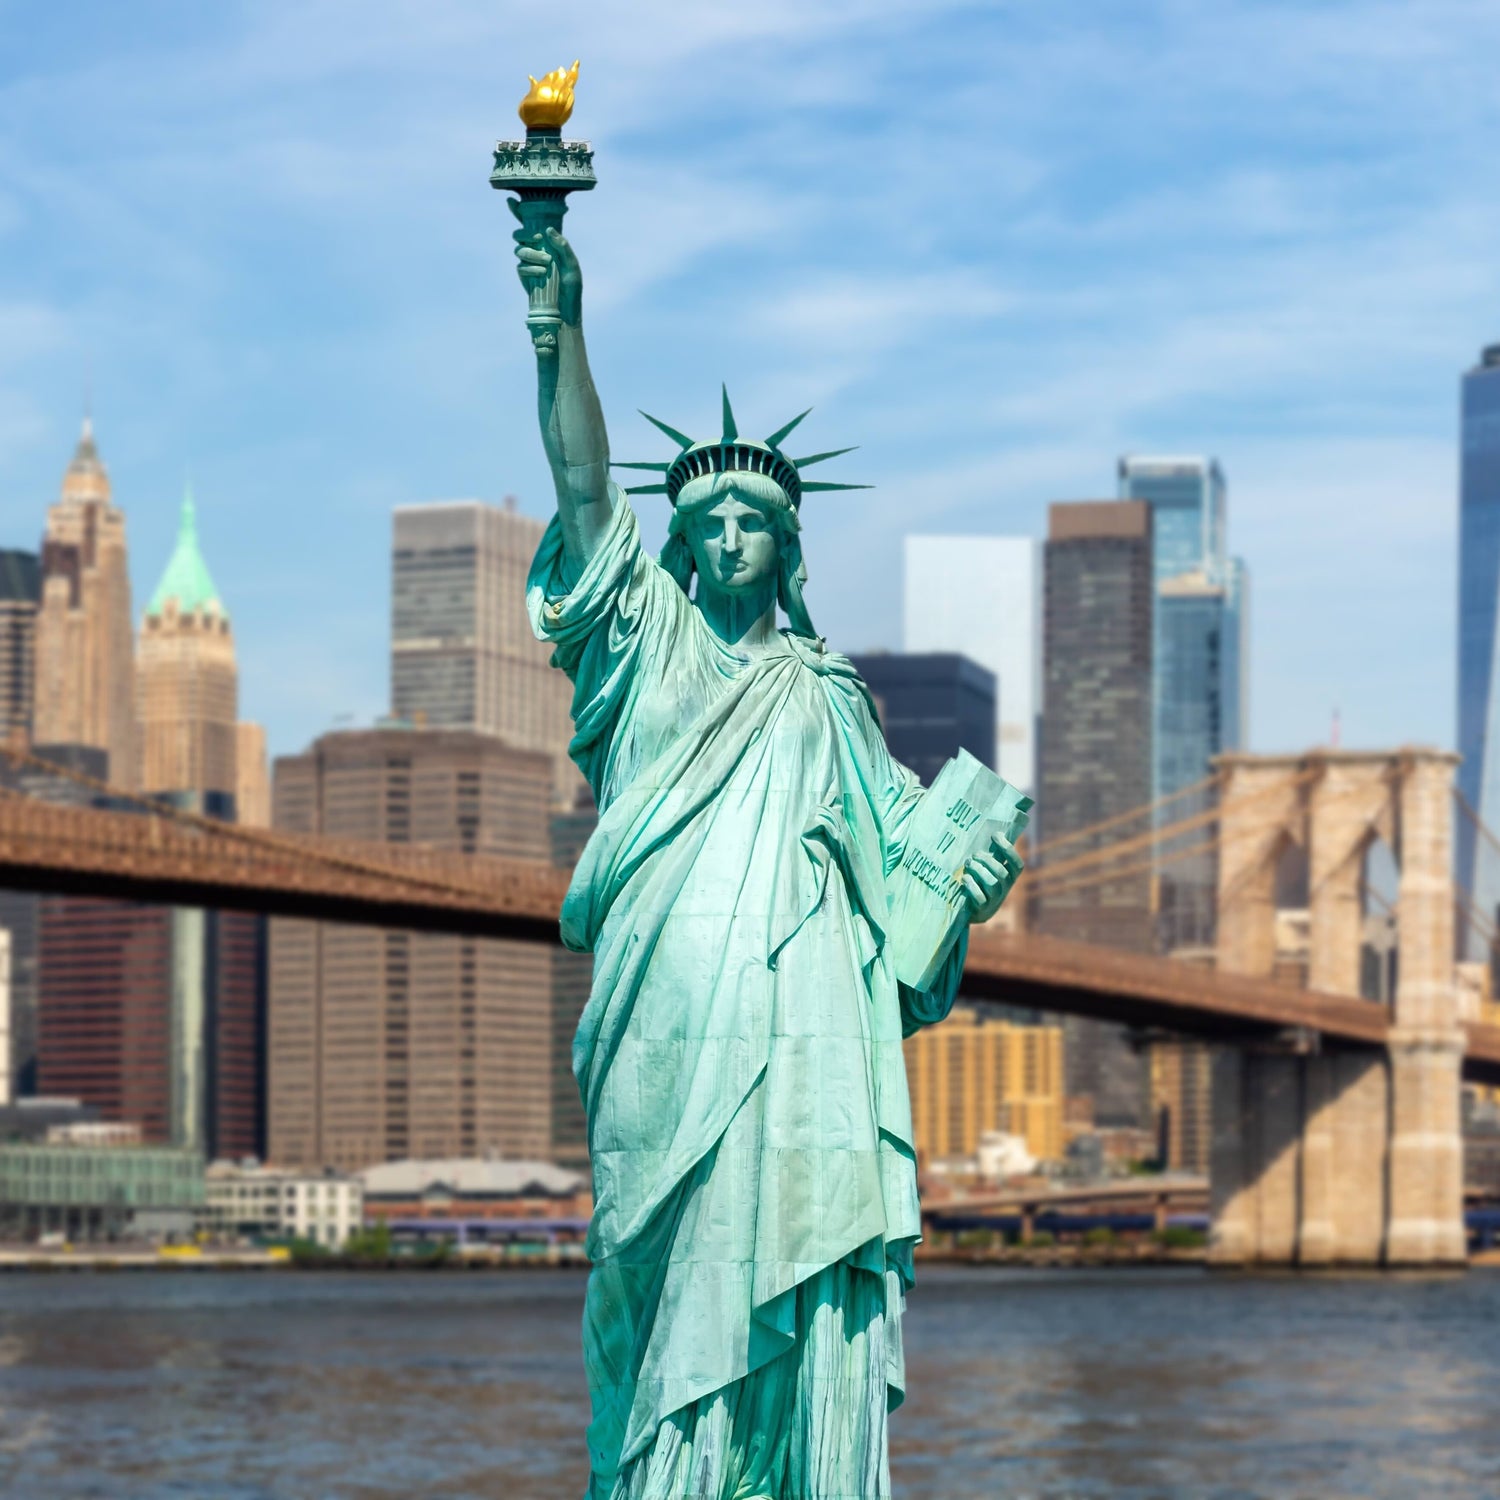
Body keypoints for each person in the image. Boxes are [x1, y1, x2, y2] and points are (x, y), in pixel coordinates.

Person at [514, 218, 1022, 1500]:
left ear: (790, 547)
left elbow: (906, 850)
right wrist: (558, 313)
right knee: (661, 1286)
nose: (732, 535)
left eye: (756, 518)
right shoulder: (643, 653)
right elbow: (583, 488)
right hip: (664, 1020)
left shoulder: (827, 695)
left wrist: (971, 871)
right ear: (677, 544)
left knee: (793, 1323)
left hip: (806, 1040)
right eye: (708, 518)